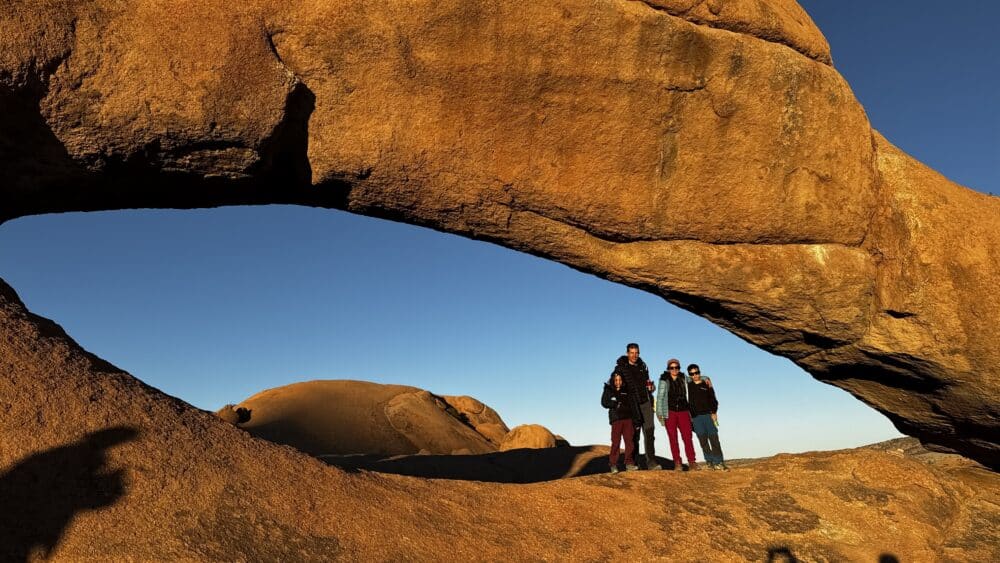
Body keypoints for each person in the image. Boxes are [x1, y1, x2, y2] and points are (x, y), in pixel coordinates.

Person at [611, 343, 661, 470]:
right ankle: (634, 462)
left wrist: (652, 388)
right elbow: (614, 384)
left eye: (636, 352)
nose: (634, 355)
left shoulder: (642, 366)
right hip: (632, 406)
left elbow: (648, 383)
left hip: (646, 403)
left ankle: (651, 462)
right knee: (634, 435)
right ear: (627, 353)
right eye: (632, 353)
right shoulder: (620, 368)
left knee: (649, 432)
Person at [655, 358, 699, 470]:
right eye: (672, 367)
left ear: (679, 368)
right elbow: (660, 397)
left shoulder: (684, 378)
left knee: (687, 437)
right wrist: (659, 413)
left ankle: (692, 461)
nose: (674, 369)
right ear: (668, 369)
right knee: (673, 438)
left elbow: (695, 379)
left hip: (684, 411)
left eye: (677, 367)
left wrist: (705, 378)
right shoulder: (664, 380)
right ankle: (677, 462)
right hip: (670, 412)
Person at [686, 363, 728, 470]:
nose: (695, 375)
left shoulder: (706, 384)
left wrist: (714, 412)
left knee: (714, 439)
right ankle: (709, 462)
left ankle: (719, 462)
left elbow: (713, 399)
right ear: (689, 375)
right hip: (696, 418)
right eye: (692, 374)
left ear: (700, 372)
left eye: (697, 372)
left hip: (708, 415)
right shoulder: (688, 387)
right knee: (703, 441)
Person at [601, 373, 641, 473]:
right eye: (616, 380)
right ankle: (613, 464)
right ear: (613, 381)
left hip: (628, 419)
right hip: (616, 420)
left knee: (630, 442)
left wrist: (637, 421)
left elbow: (634, 406)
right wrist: (615, 404)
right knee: (616, 442)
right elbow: (604, 402)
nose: (618, 382)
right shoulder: (609, 389)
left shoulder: (627, 390)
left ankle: (629, 463)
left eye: (620, 380)